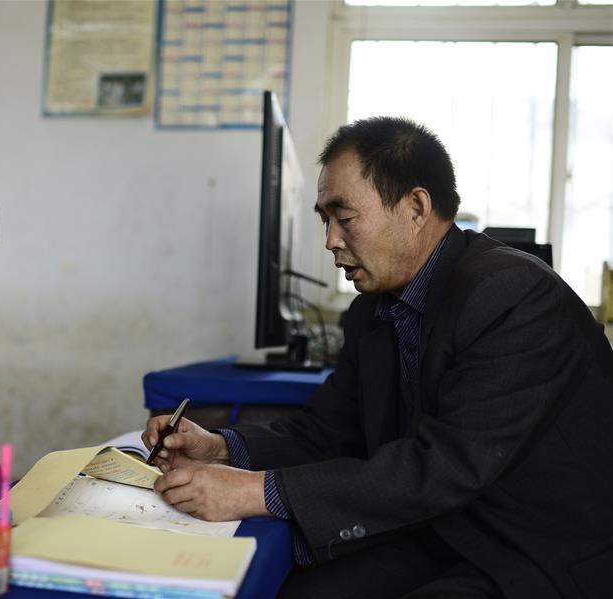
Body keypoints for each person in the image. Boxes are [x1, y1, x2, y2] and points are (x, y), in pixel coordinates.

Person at [143, 117, 613, 598]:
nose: (330, 241)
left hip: (532, 552)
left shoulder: (512, 295)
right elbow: (328, 431)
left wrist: (250, 490)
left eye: (344, 219)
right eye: (325, 221)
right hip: (441, 529)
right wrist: (220, 447)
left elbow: (442, 467)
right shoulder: (373, 309)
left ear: (415, 207)